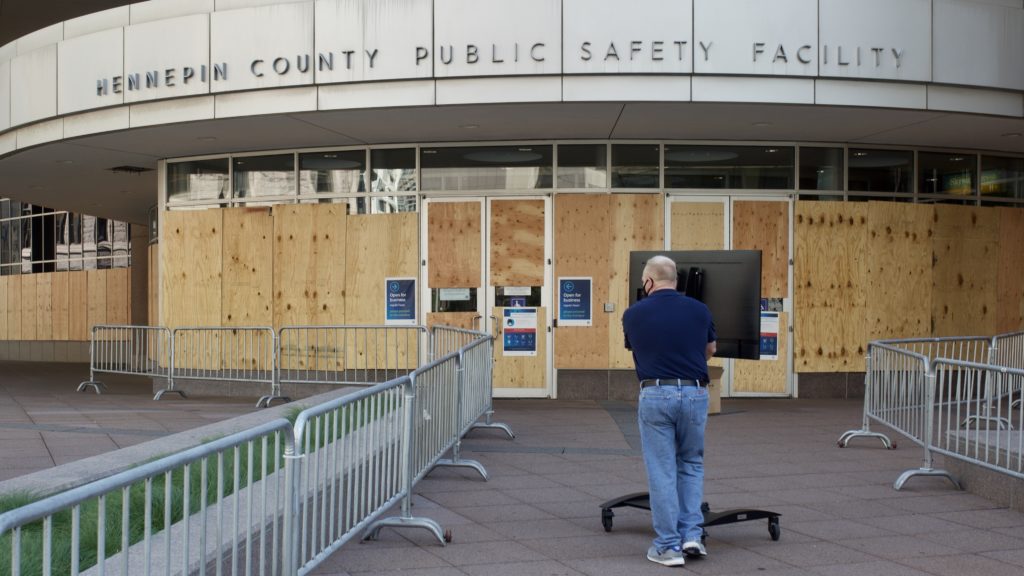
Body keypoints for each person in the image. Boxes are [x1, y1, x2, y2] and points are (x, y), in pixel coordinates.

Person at [622, 255, 716, 567]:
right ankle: (692, 535)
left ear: (648, 281)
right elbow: (710, 349)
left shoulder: (633, 314)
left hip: (655, 392)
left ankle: (667, 546)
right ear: (676, 280)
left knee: (662, 470)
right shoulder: (700, 310)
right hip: (694, 392)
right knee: (691, 463)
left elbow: (636, 348)